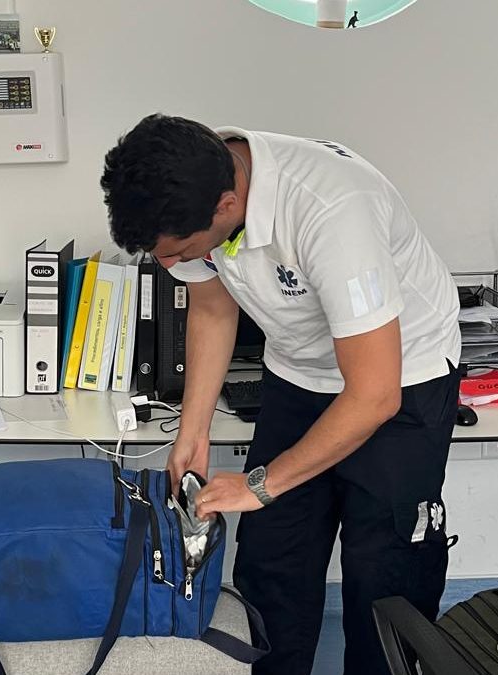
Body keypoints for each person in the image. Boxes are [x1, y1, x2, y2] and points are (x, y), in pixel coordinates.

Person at [100, 115, 462, 675]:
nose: (169, 265)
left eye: (180, 251)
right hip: (298, 372)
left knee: (384, 576)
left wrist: (258, 484)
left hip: (401, 380)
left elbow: (374, 395)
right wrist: (194, 433)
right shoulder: (194, 181)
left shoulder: (332, 210)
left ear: (227, 205)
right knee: (272, 563)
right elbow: (213, 308)